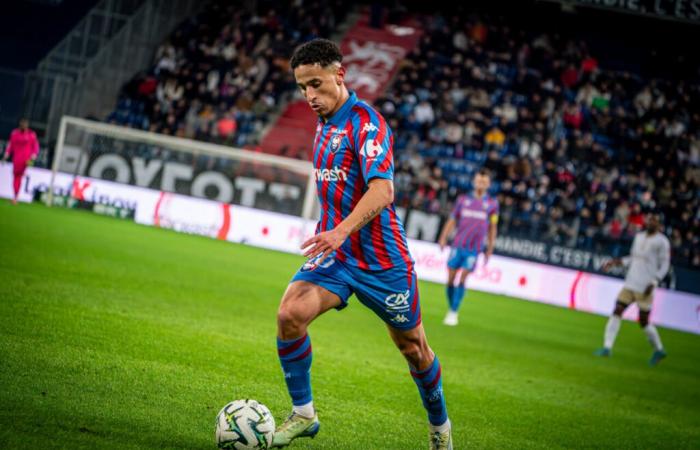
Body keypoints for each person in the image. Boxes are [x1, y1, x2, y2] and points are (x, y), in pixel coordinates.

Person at [272, 39, 451, 449]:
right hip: (337, 256)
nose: (309, 96)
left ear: (340, 74)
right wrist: (334, 236)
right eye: (303, 88)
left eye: (316, 84)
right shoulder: (324, 124)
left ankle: (440, 429)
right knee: (290, 314)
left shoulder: (367, 124)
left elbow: (382, 191)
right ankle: (303, 415)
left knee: (414, 350)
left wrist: (339, 230)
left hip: (383, 262)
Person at [595, 213, 671, 366]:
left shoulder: (662, 242)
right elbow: (633, 258)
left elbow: (665, 265)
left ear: (659, 225)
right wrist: (616, 262)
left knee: (643, 321)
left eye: (654, 221)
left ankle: (659, 349)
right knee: (617, 310)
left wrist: (655, 281)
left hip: (645, 286)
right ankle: (607, 347)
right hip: (630, 283)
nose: (650, 223)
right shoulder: (639, 237)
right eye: (649, 220)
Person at [437, 170, 499, 326]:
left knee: (464, 276)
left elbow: (492, 227)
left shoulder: (492, 204)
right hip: (458, 245)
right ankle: (452, 306)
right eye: (479, 181)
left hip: (474, 249)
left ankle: (453, 311)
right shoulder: (463, 200)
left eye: (484, 182)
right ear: (474, 182)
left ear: (488, 185)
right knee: (451, 278)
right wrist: (444, 237)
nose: (481, 184)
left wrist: (490, 247)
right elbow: (452, 220)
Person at [3, 119, 39, 204]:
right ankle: (15, 196)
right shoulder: (15, 133)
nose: (23, 126)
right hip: (16, 159)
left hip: (26, 159)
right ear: (20, 125)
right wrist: (7, 153)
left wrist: (34, 155)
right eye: (22, 124)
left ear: (27, 125)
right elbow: (11, 145)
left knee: (18, 177)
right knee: (16, 177)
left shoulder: (31, 134)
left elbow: (35, 146)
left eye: (25, 124)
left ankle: (15, 197)